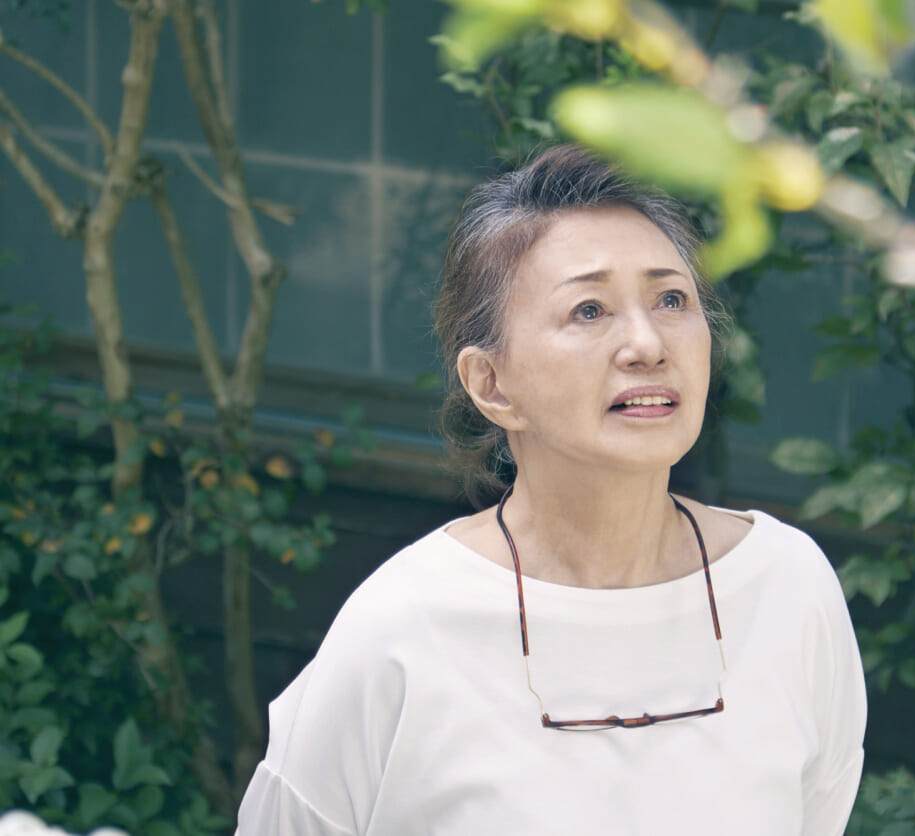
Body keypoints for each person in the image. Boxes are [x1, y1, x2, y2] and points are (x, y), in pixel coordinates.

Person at [236, 145, 867, 835]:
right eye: (589, 310)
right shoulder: (402, 629)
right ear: (491, 384)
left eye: (671, 300)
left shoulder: (788, 586)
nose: (648, 344)